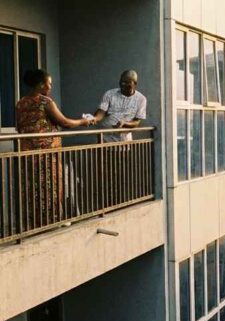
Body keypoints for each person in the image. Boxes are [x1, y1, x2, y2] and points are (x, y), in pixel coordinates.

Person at [15, 69, 95, 225]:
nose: (50, 87)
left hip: (27, 152)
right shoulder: (45, 102)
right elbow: (65, 122)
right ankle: (53, 220)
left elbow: (20, 127)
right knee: (51, 185)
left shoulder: (21, 103)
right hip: (46, 153)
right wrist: (84, 122)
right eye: (49, 83)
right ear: (40, 84)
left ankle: (34, 222)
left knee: (33, 187)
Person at [93, 70, 147, 142]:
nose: (123, 84)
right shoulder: (109, 94)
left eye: (127, 82)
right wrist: (94, 119)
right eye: (122, 82)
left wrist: (124, 123)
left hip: (124, 141)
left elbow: (136, 122)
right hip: (105, 139)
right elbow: (101, 113)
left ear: (135, 83)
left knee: (122, 153)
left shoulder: (141, 99)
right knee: (102, 153)